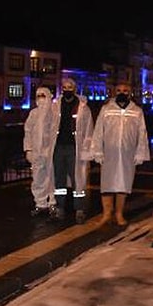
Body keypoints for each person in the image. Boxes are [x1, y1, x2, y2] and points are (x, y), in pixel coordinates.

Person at [91, 82, 150, 226]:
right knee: (107, 184)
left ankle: (119, 213)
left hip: (127, 153)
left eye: (125, 90)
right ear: (114, 92)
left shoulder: (136, 111)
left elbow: (142, 133)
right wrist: (97, 150)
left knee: (123, 184)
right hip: (109, 152)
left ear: (130, 93)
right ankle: (106, 213)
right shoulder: (106, 109)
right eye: (119, 90)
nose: (122, 93)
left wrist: (140, 152)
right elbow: (98, 131)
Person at [51, 78, 95, 224]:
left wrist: (87, 150)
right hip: (58, 147)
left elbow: (89, 131)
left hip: (75, 147)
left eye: (70, 87)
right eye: (64, 87)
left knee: (78, 179)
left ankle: (79, 209)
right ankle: (60, 208)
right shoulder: (55, 106)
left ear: (75, 89)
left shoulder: (83, 108)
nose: (67, 89)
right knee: (59, 179)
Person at [23, 87, 57, 219]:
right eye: (38, 96)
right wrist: (28, 149)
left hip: (51, 150)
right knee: (38, 178)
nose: (41, 98)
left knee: (52, 177)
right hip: (37, 152)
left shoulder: (55, 113)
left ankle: (53, 203)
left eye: (44, 95)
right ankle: (40, 203)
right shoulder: (34, 113)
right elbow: (28, 132)